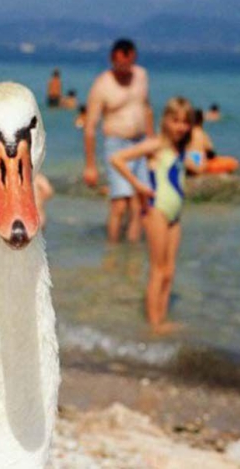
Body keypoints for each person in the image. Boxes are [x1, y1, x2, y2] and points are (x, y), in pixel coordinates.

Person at [110, 97, 194, 333]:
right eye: (176, 121)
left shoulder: (180, 148)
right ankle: (154, 323)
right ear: (165, 120)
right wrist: (138, 186)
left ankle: (162, 318)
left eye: (185, 122)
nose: (181, 126)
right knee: (158, 270)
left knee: (170, 270)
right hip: (156, 211)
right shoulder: (155, 145)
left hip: (175, 214)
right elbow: (117, 159)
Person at [83, 38, 154, 243]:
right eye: (120, 63)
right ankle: (112, 250)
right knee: (120, 203)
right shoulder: (103, 84)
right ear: (113, 59)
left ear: (134, 57)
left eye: (129, 62)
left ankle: (132, 253)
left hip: (140, 143)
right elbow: (90, 128)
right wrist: (90, 166)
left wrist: (152, 141)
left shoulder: (141, 76)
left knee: (141, 202)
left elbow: (146, 108)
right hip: (117, 145)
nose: (125, 68)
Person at [187, 109, 239, 175]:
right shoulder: (201, 133)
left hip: (188, 163)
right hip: (200, 167)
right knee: (234, 162)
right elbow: (211, 152)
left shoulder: (186, 133)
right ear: (201, 121)